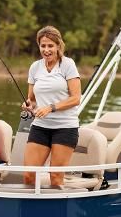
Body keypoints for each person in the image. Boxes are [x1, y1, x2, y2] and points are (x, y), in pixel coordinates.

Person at [22, 26, 81, 186]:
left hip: (65, 127)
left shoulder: (68, 64)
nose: (46, 50)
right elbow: (32, 99)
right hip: (40, 126)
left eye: (50, 46)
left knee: (55, 177)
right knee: (28, 175)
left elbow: (76, 98)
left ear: (58, 46)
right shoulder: (35, 67)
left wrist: (50, 107)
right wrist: (29, 105)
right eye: (43, 46)